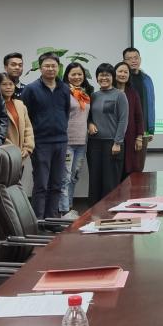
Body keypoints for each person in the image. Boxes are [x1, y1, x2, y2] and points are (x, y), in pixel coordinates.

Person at [22, 52, 71, 219]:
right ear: (40, 68)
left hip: (61, 142)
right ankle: (38, 220)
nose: (50, 69)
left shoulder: (64, 88)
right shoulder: (31, 89)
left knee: (57, 184)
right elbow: (25, 116)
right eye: (47, 66)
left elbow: (66, 112)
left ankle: (52, 219)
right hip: (41, 142)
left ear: (58, 68)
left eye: (53, 66)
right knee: (41, 184)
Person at [87, 63, 129, 204]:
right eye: (101, 75)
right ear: (97, 77)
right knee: (95, 180)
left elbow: (123, 120)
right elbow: (88, 116)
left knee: (110, 182)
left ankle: (109, 212)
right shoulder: (93, 96)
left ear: (113, 77)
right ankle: (93, 212)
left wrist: (117, 142)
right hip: (94, 144)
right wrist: (89, 123)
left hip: (112, 144)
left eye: (107, 75)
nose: (104, 78)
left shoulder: (120, 95)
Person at [0, 72, 34, 198]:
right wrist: (12, 150)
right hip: (3, 154)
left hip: (20, 156)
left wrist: (27, 148)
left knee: (15, 188)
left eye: (11, 84)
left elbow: (28, 128)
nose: (8, 87)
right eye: (4, 84)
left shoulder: (20, 104)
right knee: (2, 190)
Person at [60, 62, 92, 215]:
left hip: (82, 142)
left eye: (80, 74)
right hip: (67, 142)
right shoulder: (63, 93)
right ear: (67, 76)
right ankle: (64, 210)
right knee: (65, 177)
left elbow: (87, 116)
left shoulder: (85, 94)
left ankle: (70, 207)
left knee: (74, 176)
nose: (77, 77)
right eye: (73, 74)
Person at [123, 47, 155, 170]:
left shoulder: (146, 79)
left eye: (136, 58)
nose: (133, 61)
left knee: (139, 166)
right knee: (124, 167)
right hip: (125, 129)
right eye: (129, 58)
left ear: (140, 59)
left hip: (143, 129)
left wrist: (151, 128)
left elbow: (151, 104)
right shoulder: (122, 78)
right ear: (124, 61)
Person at [115, 61, 145, 181]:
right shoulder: (109, 91)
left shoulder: (133, 93)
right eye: (120, 71)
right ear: (114, 73)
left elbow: (139, 116)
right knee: (114, 171)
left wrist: (139, 137)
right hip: (112, 138)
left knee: (128, 171)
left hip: (130, 137)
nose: (123, 74)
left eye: (125, 72)